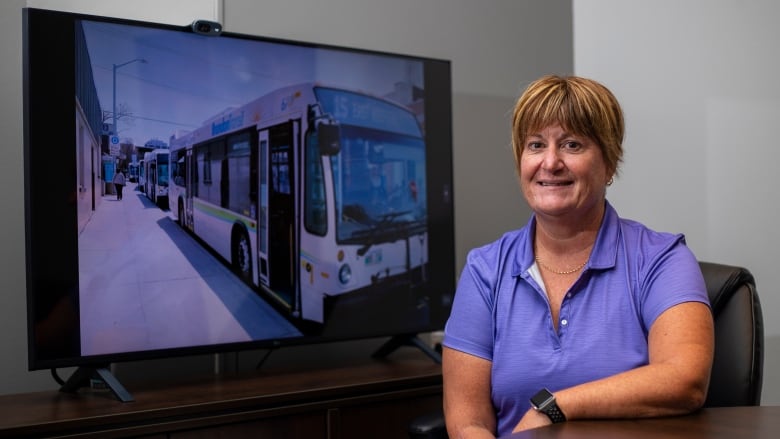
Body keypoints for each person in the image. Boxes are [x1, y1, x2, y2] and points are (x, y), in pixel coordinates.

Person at [442, 75, 714, 438]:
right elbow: (467, 422)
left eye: (572, 145)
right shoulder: (485, 270)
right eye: (536, 145)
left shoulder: (661, 259)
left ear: (610, 162)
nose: (550, 163)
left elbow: (685, 380)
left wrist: (554, 408)